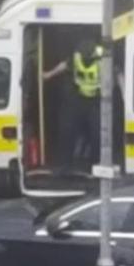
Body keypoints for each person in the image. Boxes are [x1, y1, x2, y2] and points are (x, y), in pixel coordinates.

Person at [43, 36, 102, 169]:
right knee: (67, 129)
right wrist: (49, 75)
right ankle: (65, 165)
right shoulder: (77, 55)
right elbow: (64, 65)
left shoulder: (103, 58)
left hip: (97, 101)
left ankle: (95, 165)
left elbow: (117, 73)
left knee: (97, 133)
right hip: (79, 98)